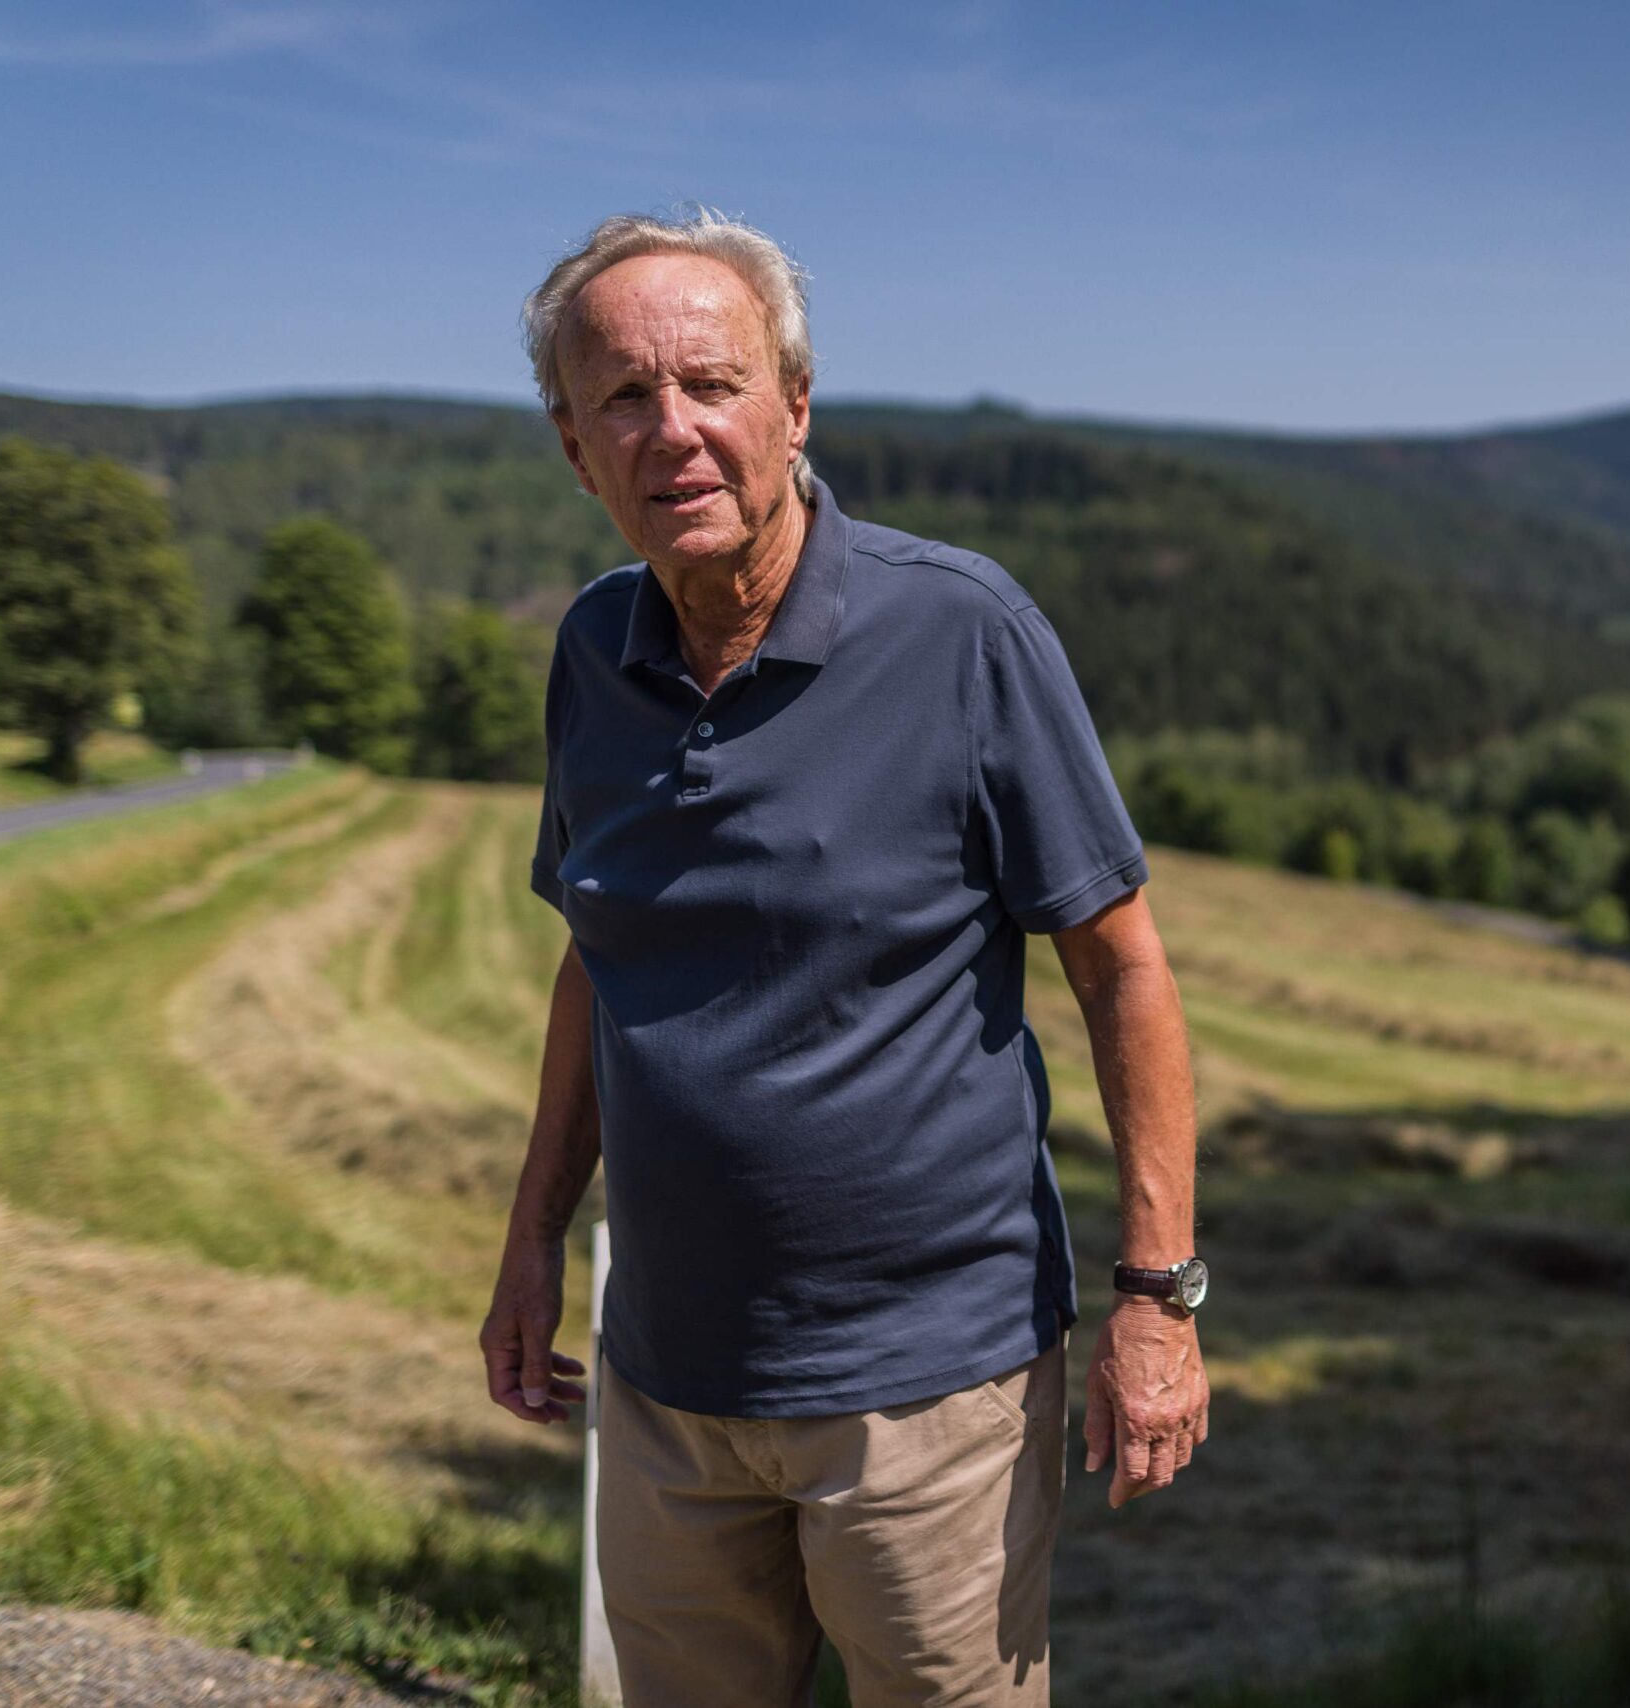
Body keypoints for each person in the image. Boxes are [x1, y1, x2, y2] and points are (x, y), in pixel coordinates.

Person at [480, 208, 1209, 1708]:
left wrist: (1158, 1295)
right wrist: (533, 1234)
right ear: (573, 447)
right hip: (666, 1382)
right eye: (623, 397)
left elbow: (1122, 968)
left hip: (929, 1395)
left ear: (796, 407)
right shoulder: (593, 652)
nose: (673, 430)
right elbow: (596, 957)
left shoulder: (963, 631)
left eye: (713, 384)